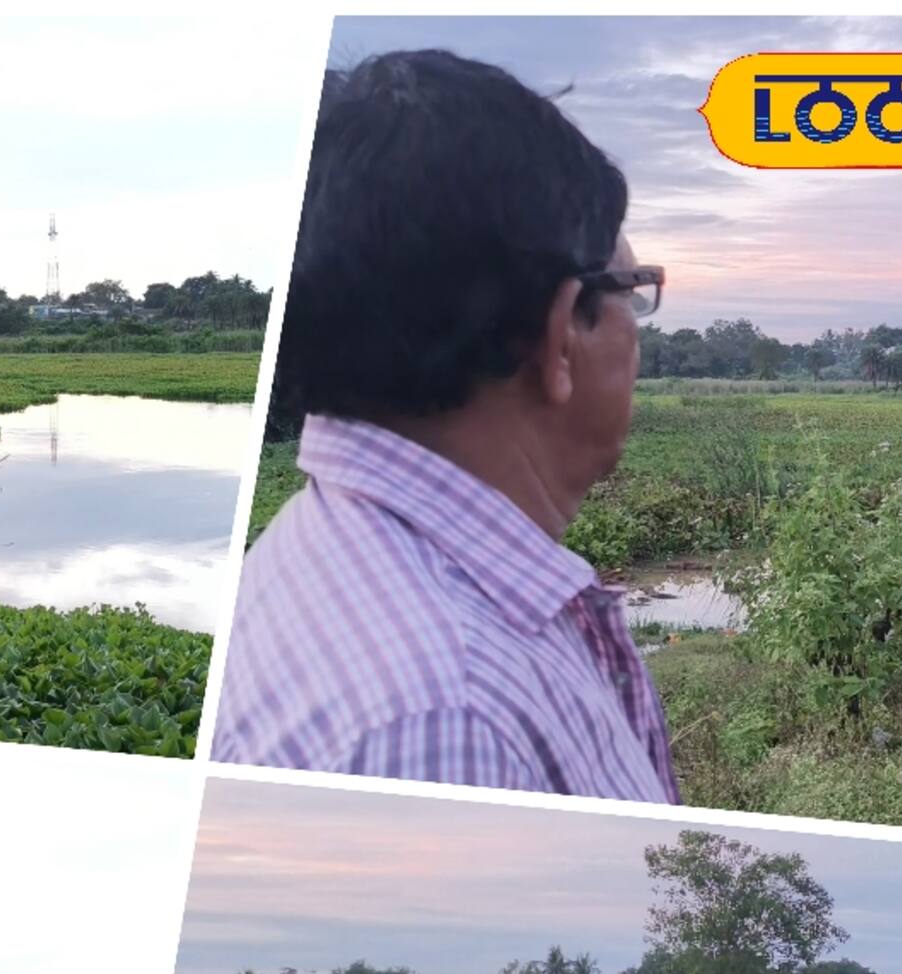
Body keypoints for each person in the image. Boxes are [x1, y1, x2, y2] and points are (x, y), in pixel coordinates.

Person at [212, 49, 678, 802]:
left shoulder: (335, 553)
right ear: (563, 334)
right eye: (635, 290)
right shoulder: (442, 721)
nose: (637, 326)